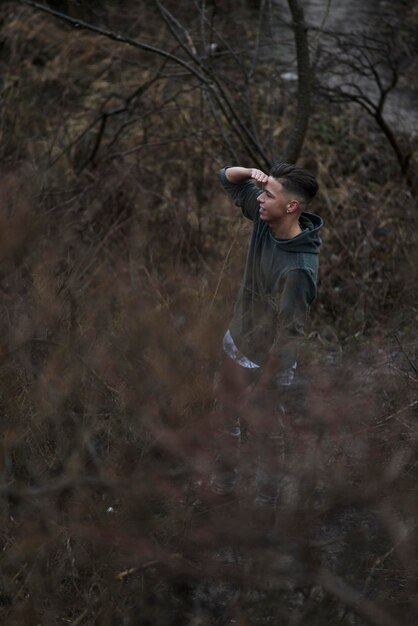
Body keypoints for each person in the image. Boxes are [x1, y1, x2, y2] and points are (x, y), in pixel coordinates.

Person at [210, 162, 323, 523]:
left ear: (292, 207)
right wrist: (249, 172)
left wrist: (264, 384)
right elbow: (225, 180)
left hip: (268, 365)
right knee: (225, 417)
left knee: (265, 436)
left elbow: (290, 337)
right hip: (236, 345)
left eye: (269, 195)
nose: (261, 199)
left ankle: (263, 513)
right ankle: (223, 492)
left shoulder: (298, 270)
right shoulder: (264, 217)